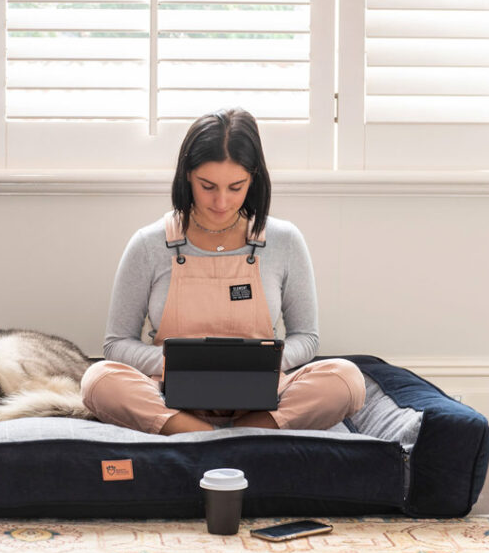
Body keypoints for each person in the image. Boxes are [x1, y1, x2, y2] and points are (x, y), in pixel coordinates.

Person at [81, 109, 365, 435]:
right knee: (98, 380)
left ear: (254, 178)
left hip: (262, 395)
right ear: (187, 175)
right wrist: (181, 366)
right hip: (171, 394)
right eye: (208, 186)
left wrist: (259, 364)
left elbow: (307, 337)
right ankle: (224, 437)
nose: (221, 201)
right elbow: (117, 343)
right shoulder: (148, 244)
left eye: (235, 187)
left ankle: (221, 435)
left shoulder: (285, 241)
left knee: (347, 379)